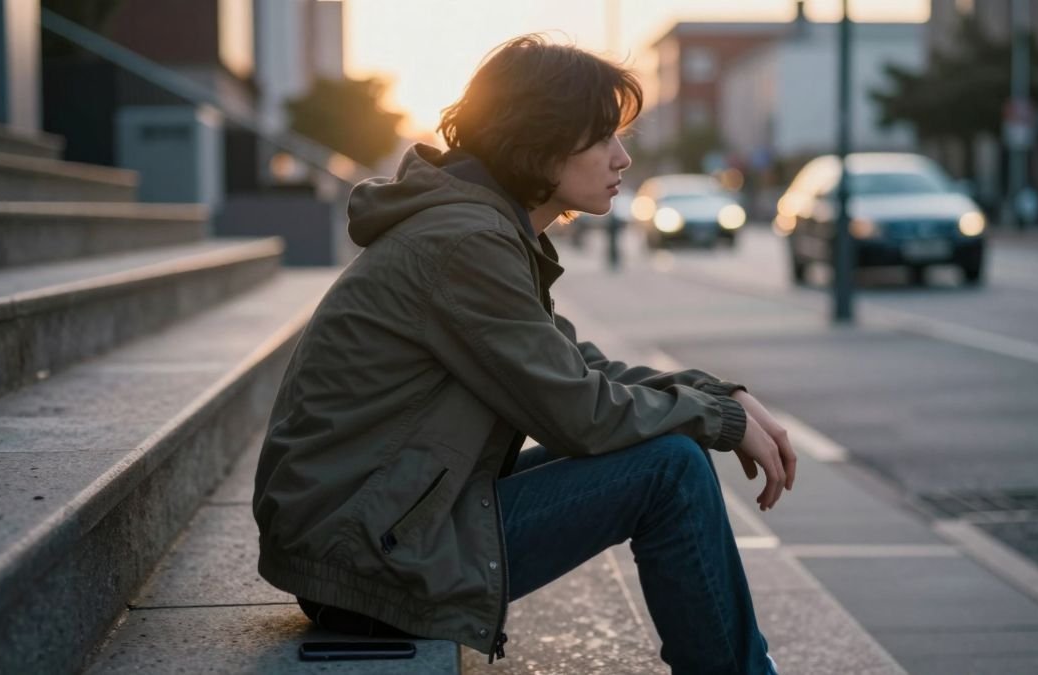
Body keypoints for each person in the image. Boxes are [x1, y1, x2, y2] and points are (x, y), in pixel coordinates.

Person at [252, 34, 796, 674]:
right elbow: (581, 414)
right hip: (367, 554)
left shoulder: (475, 227)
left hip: (372, 526)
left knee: (670, 450)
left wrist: (717, 395)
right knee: (669, 469)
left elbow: (576, 367)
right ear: (537, 142)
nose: (623, 158)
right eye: (602, 139)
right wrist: (719, 421)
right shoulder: (464, 243)